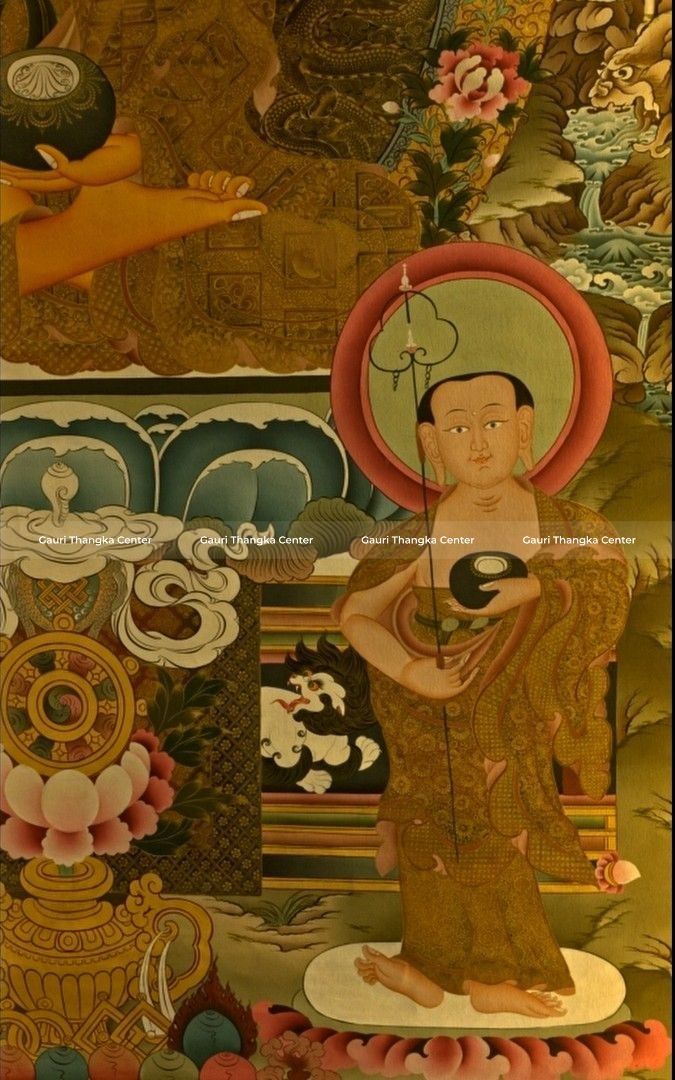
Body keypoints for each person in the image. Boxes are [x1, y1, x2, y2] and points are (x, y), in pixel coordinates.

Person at [335, 371, 630, 1018]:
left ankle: (493, 973)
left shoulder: (568, 527)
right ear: (429, 443)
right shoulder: (416, 537)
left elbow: (609, 589)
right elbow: (355, 613)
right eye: (458, 427)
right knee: (428, 833)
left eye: (494, 422)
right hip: (426, 714)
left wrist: (540, 588)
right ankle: (429, 966)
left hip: (510, 715)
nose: (477, 442)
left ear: (525, 429)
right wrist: (410, 672)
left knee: (502, 825)